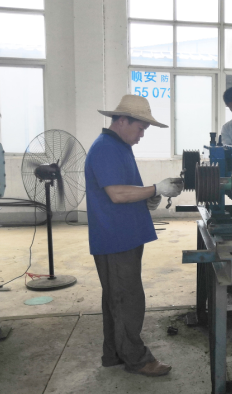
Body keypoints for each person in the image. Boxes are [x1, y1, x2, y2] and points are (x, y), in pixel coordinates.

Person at [85, 94, 184, 377]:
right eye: (140, 128)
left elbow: (125, 188)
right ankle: (137, 359)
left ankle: (114, 354)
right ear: (122, 120)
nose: (142, 135)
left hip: (124, 236)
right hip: (115, 238)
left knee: (116, 299)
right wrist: (155, 188)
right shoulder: (106, 148)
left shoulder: (120, 147)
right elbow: (117, 194)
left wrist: (149, 197)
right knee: (128, 300)